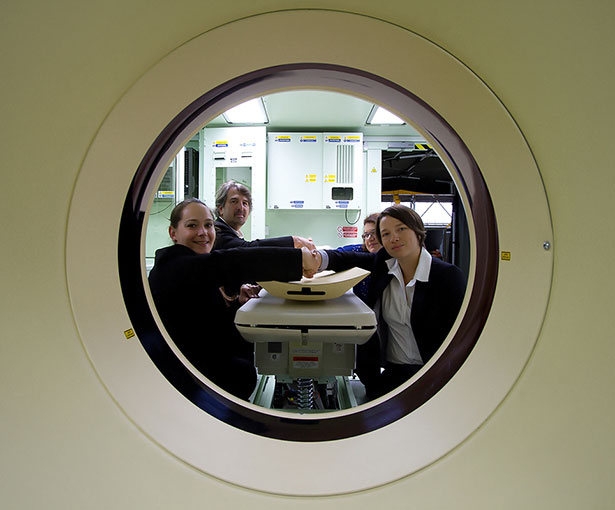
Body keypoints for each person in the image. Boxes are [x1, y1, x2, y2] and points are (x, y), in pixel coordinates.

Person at [148, 198, 320, 400]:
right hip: (185, 380)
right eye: (192, 225)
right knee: (243, 375)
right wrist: (299, 258)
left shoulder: (192, 264)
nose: (203, 233)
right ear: (173, 233)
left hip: (198, 364)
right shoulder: (174, 265)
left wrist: (235, 300)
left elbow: (200, 314)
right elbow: (237, 260)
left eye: (208, 225)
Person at [311, 205, 466, 399]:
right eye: (385, 234)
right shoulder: (385, 265)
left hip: (435, 377)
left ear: (418, 231)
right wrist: (316, 258)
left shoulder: (447, 276)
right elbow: (347, 258)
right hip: (392, 377)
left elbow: (462, 338)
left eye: (401, 229)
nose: (394, 238)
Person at [213, 180, 315, 250]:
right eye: (234, 201)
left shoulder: (234, 233)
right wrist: (294, 241)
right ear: (221, 209)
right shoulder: (218, 232)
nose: (241, 207)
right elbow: (246, 250)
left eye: (245, 203)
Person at [337, 213, 383, 302]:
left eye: (374, 233)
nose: (370, 238)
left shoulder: (395, 259)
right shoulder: (359, 251)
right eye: (366, 235)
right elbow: (337, 254)